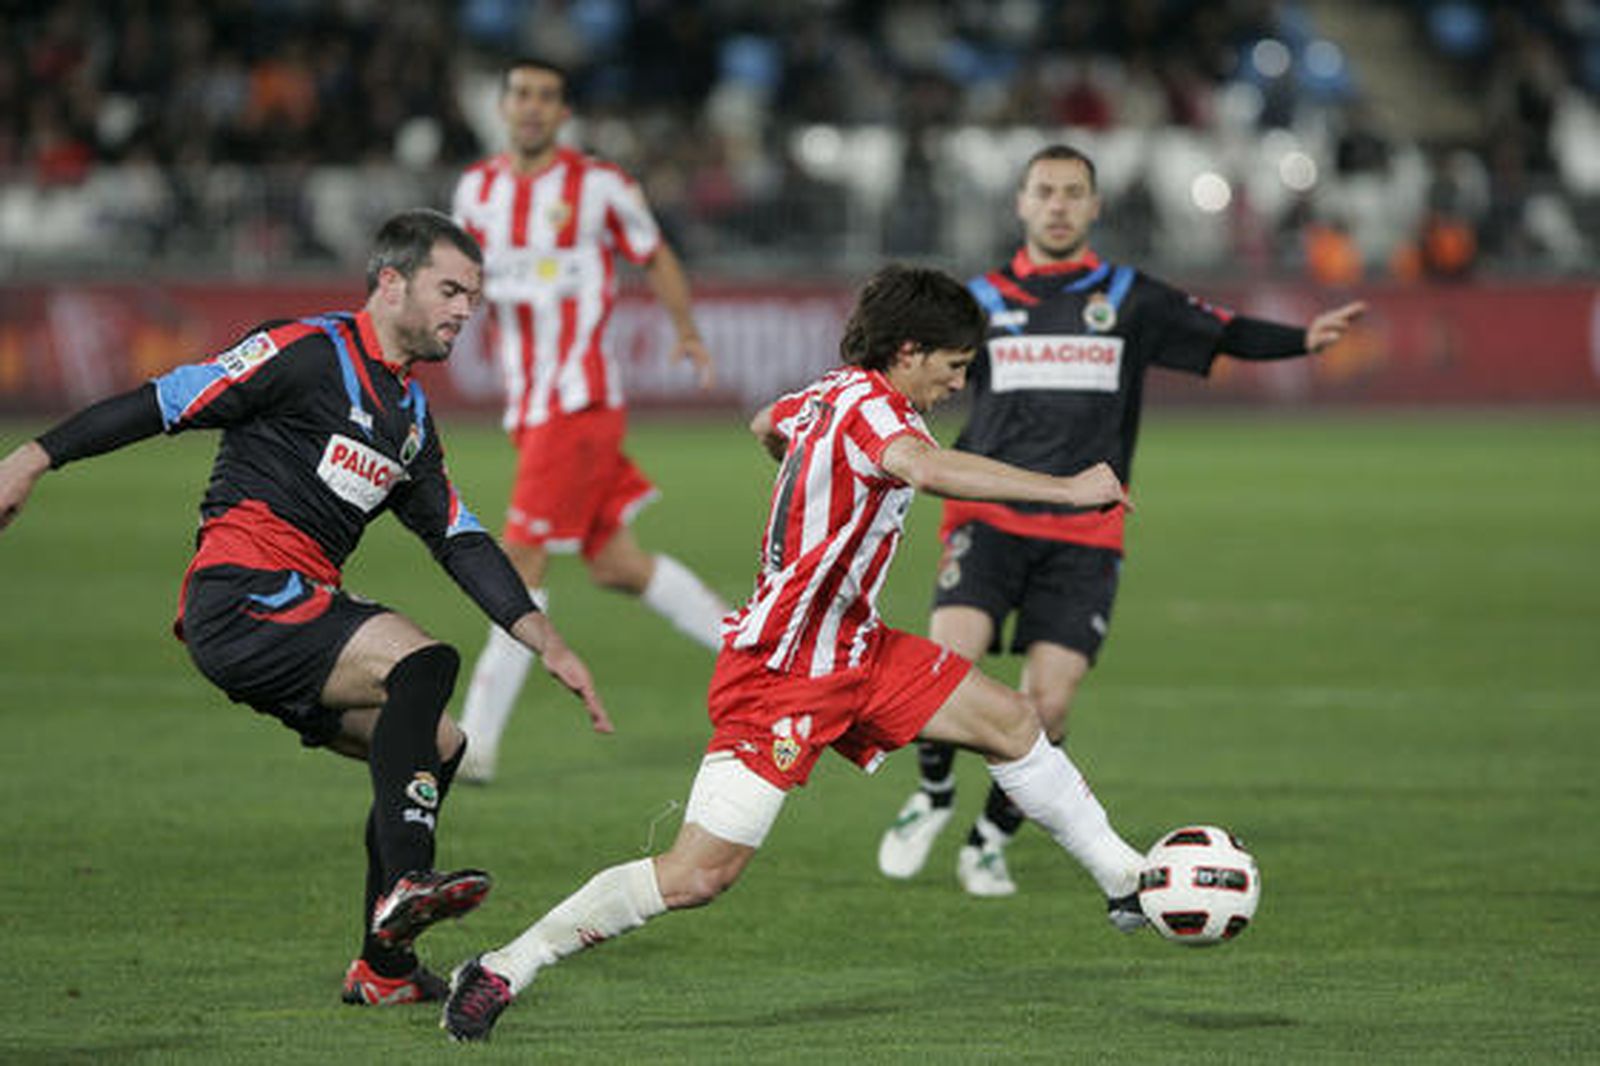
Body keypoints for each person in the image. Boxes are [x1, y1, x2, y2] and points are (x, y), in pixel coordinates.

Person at [439, 265, 1151, 1043]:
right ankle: (509, 963)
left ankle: (1124, 876)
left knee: (1013, 720)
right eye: (952, 367)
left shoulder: (830, 393)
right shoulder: (884, 417)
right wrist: (1068, 490)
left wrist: (807, 472)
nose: (958, 384)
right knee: (697, 876)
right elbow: (928, 468)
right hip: (779, 674)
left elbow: (763, 423)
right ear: (909, 352)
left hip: (858, 648)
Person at [0, 209, 611, 1006]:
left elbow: (459, 539)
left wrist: (547, 642)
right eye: (450, 289)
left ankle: (383, 971)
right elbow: (168, 400)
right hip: (240, 596)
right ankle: (408, 883)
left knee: (439, 743)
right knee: (424, 661)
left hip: (295, 612)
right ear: (390, 283)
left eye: (475, 297)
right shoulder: (306, 352)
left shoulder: (410, 419)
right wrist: (34, 456)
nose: (465, 310)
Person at [875, 144, 1367, 897]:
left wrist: (1302, 340)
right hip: (988, 516)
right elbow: (915, 376)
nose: (1060, 204)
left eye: (1074, 192)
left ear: (1095, 206)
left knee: (1051, 704)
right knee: (949, 666)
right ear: (1021, 203)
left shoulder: (1129, 296)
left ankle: (988, 838)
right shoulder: (978, 301)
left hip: (1085, 533)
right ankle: (933, 796)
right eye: (1045, 191)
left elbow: (1225, 330)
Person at [449, 57, 727, 784]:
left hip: (580, 402)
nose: (532, 107)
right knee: (615, 563)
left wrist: (687, 331)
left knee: (520, 562)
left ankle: (475, 743)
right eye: (520, 94)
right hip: (531, 407)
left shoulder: (599, 185)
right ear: (503, 106)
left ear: (563, 110)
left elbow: (655, 253)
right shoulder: (476, 191)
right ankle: (763, 656)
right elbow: (456, 280)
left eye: (546, 96)